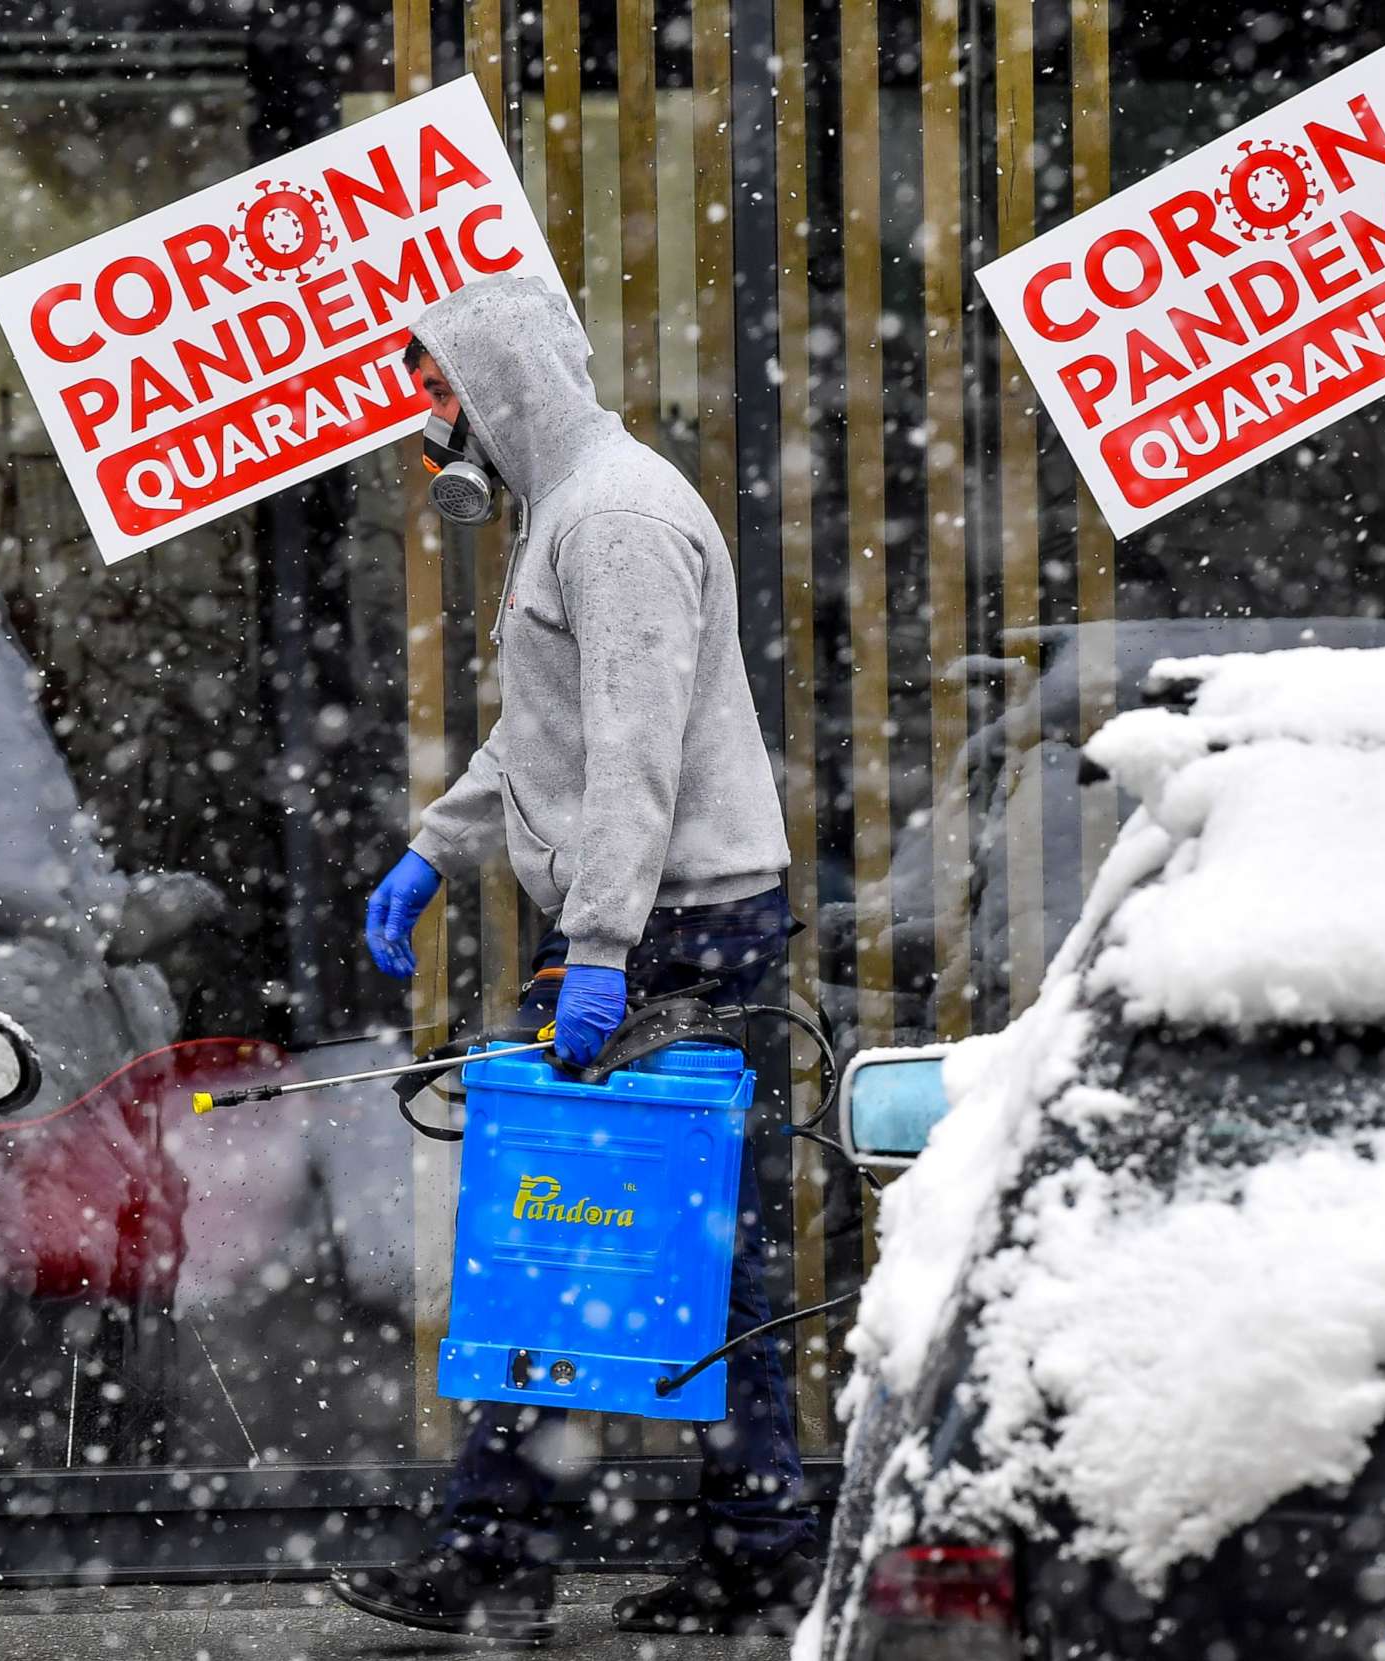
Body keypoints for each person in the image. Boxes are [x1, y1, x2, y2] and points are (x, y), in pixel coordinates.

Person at [326, 273, 815, 1642]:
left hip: (678, 931)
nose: (428, 421)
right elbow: (550, 740)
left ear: (501, 387)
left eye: (438, 390)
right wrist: (439, 844)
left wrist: (598, 947)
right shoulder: (570, 513)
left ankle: (516, 1547)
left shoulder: (614, 520)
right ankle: (733, 1541)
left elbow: (633, 765)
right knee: (634, 1238)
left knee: (605, 1234)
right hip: (657, 921)